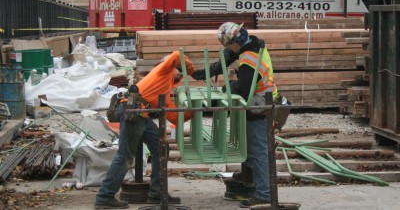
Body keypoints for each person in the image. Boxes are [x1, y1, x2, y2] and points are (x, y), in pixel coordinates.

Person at [192, 22, 287, 208]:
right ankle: (247, 179)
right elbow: (225, 59)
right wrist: (202, 73)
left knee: (258, 151)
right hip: (259, 100)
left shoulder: (249, 58)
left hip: (259, 104)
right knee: (249, 145)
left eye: (227, 46)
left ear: (233, 42)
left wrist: (221, 92)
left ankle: (265, 195)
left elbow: (243, 89)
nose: (227, 49)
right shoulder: (249, 44)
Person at [95, 51, 196, 209]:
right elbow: (177, 55)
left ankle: (157, 193)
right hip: (134, 112)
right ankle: (104, 197)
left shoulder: (165, 89)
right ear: (171, 66)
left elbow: (174, 118)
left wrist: (194, 113)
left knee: (161, 147)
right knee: (125, 156)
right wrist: (192, 71)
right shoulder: (163, 70)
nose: (180, 74)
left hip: (141, 114)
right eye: (180, 70)